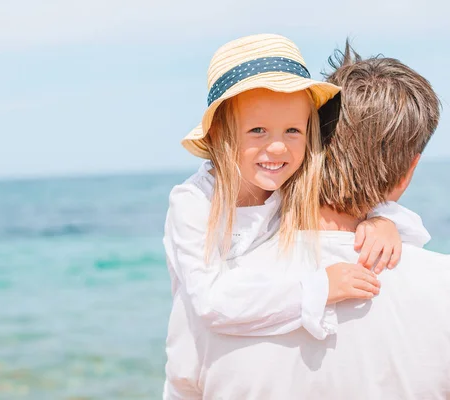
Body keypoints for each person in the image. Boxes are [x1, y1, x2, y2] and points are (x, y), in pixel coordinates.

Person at [163, 34, 431, 398]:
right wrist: (320, 288)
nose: (277, 146)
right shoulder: (194, 203)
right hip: (195, 354)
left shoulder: (282, 181)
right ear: (219, 135)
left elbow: (352, 199)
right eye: (257, 130)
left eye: (293, 130)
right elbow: (211, 304)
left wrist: (382, 220)